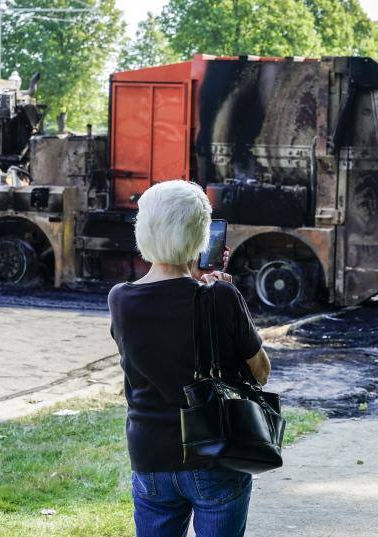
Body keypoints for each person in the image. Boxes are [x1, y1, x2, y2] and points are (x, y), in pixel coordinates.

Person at [108, 180, 271, 537]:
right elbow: (260, 373)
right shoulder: (220, 297)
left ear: (144, 230)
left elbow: (166, 323)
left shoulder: (120, 299)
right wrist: (221, 294)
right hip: (215, 452)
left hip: (151, 457)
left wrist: (192, 277)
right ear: (200, 237)